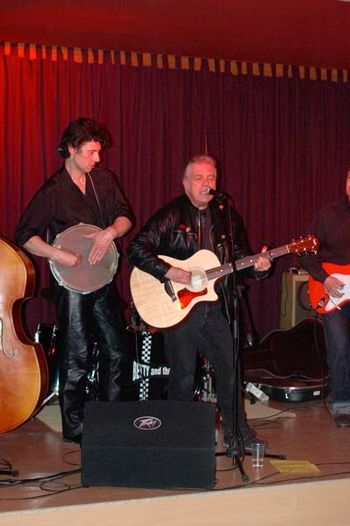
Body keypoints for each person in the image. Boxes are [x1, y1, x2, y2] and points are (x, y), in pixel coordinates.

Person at [128, 154, 271, 451]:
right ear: (185, 184)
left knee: (229, 368)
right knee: (182, 374)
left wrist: (259, 266)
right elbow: (136, 248)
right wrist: (175, 272)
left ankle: (237, 434)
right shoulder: (171, 215)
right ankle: (174, 438)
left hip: (214, 305)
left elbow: (239, 258)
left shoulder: (226, 216)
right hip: (179, 306)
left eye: (211, 178)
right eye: (199, 178)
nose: (207, 184)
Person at [15, 117, 133, 443]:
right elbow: (25, 234)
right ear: (71, 148)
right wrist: (57, 254)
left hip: (102, 280)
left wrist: (109, 233)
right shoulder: (53, 190)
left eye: (98, 152)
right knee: (76, 354)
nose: (98, 158)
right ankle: (76, 426)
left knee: (118, 350)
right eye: (91, 152)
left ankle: (112, 418)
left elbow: (125, 217)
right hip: (70, 284)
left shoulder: (104, 180)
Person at [301, 170, 350, 428]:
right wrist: (325, 279)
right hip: (332, 290)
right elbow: (305, 253)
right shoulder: (329, 215)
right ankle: (342, 405)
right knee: (340, 347)